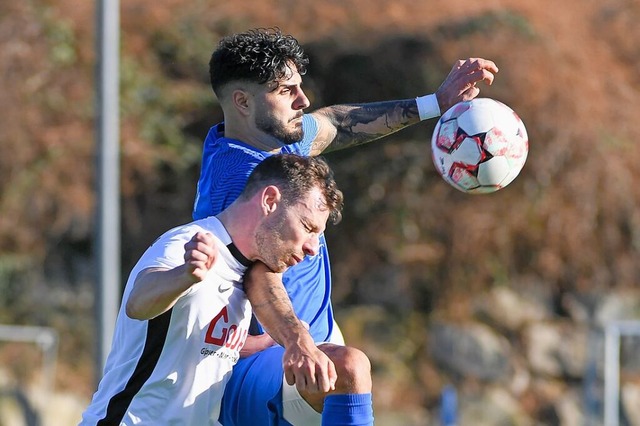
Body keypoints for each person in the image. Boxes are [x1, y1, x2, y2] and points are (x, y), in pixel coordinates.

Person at [193, 28, 499, 425]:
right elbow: (259, 277)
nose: (303, 100)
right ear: (242, 102)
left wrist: (435, 103)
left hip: (307, 347)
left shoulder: (269, 141)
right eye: (288, 92)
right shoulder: (242, 184)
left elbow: (334, 122)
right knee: (351, 369)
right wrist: (298, 342)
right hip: (262, 364)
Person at [79, 154, 344, 426]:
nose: (313, 248)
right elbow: (138, 303)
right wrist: (182, 276)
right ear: (270, 201)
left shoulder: (244, 271)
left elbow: (202, 343)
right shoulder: (188, 244)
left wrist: (275, 343)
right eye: (307, 226)